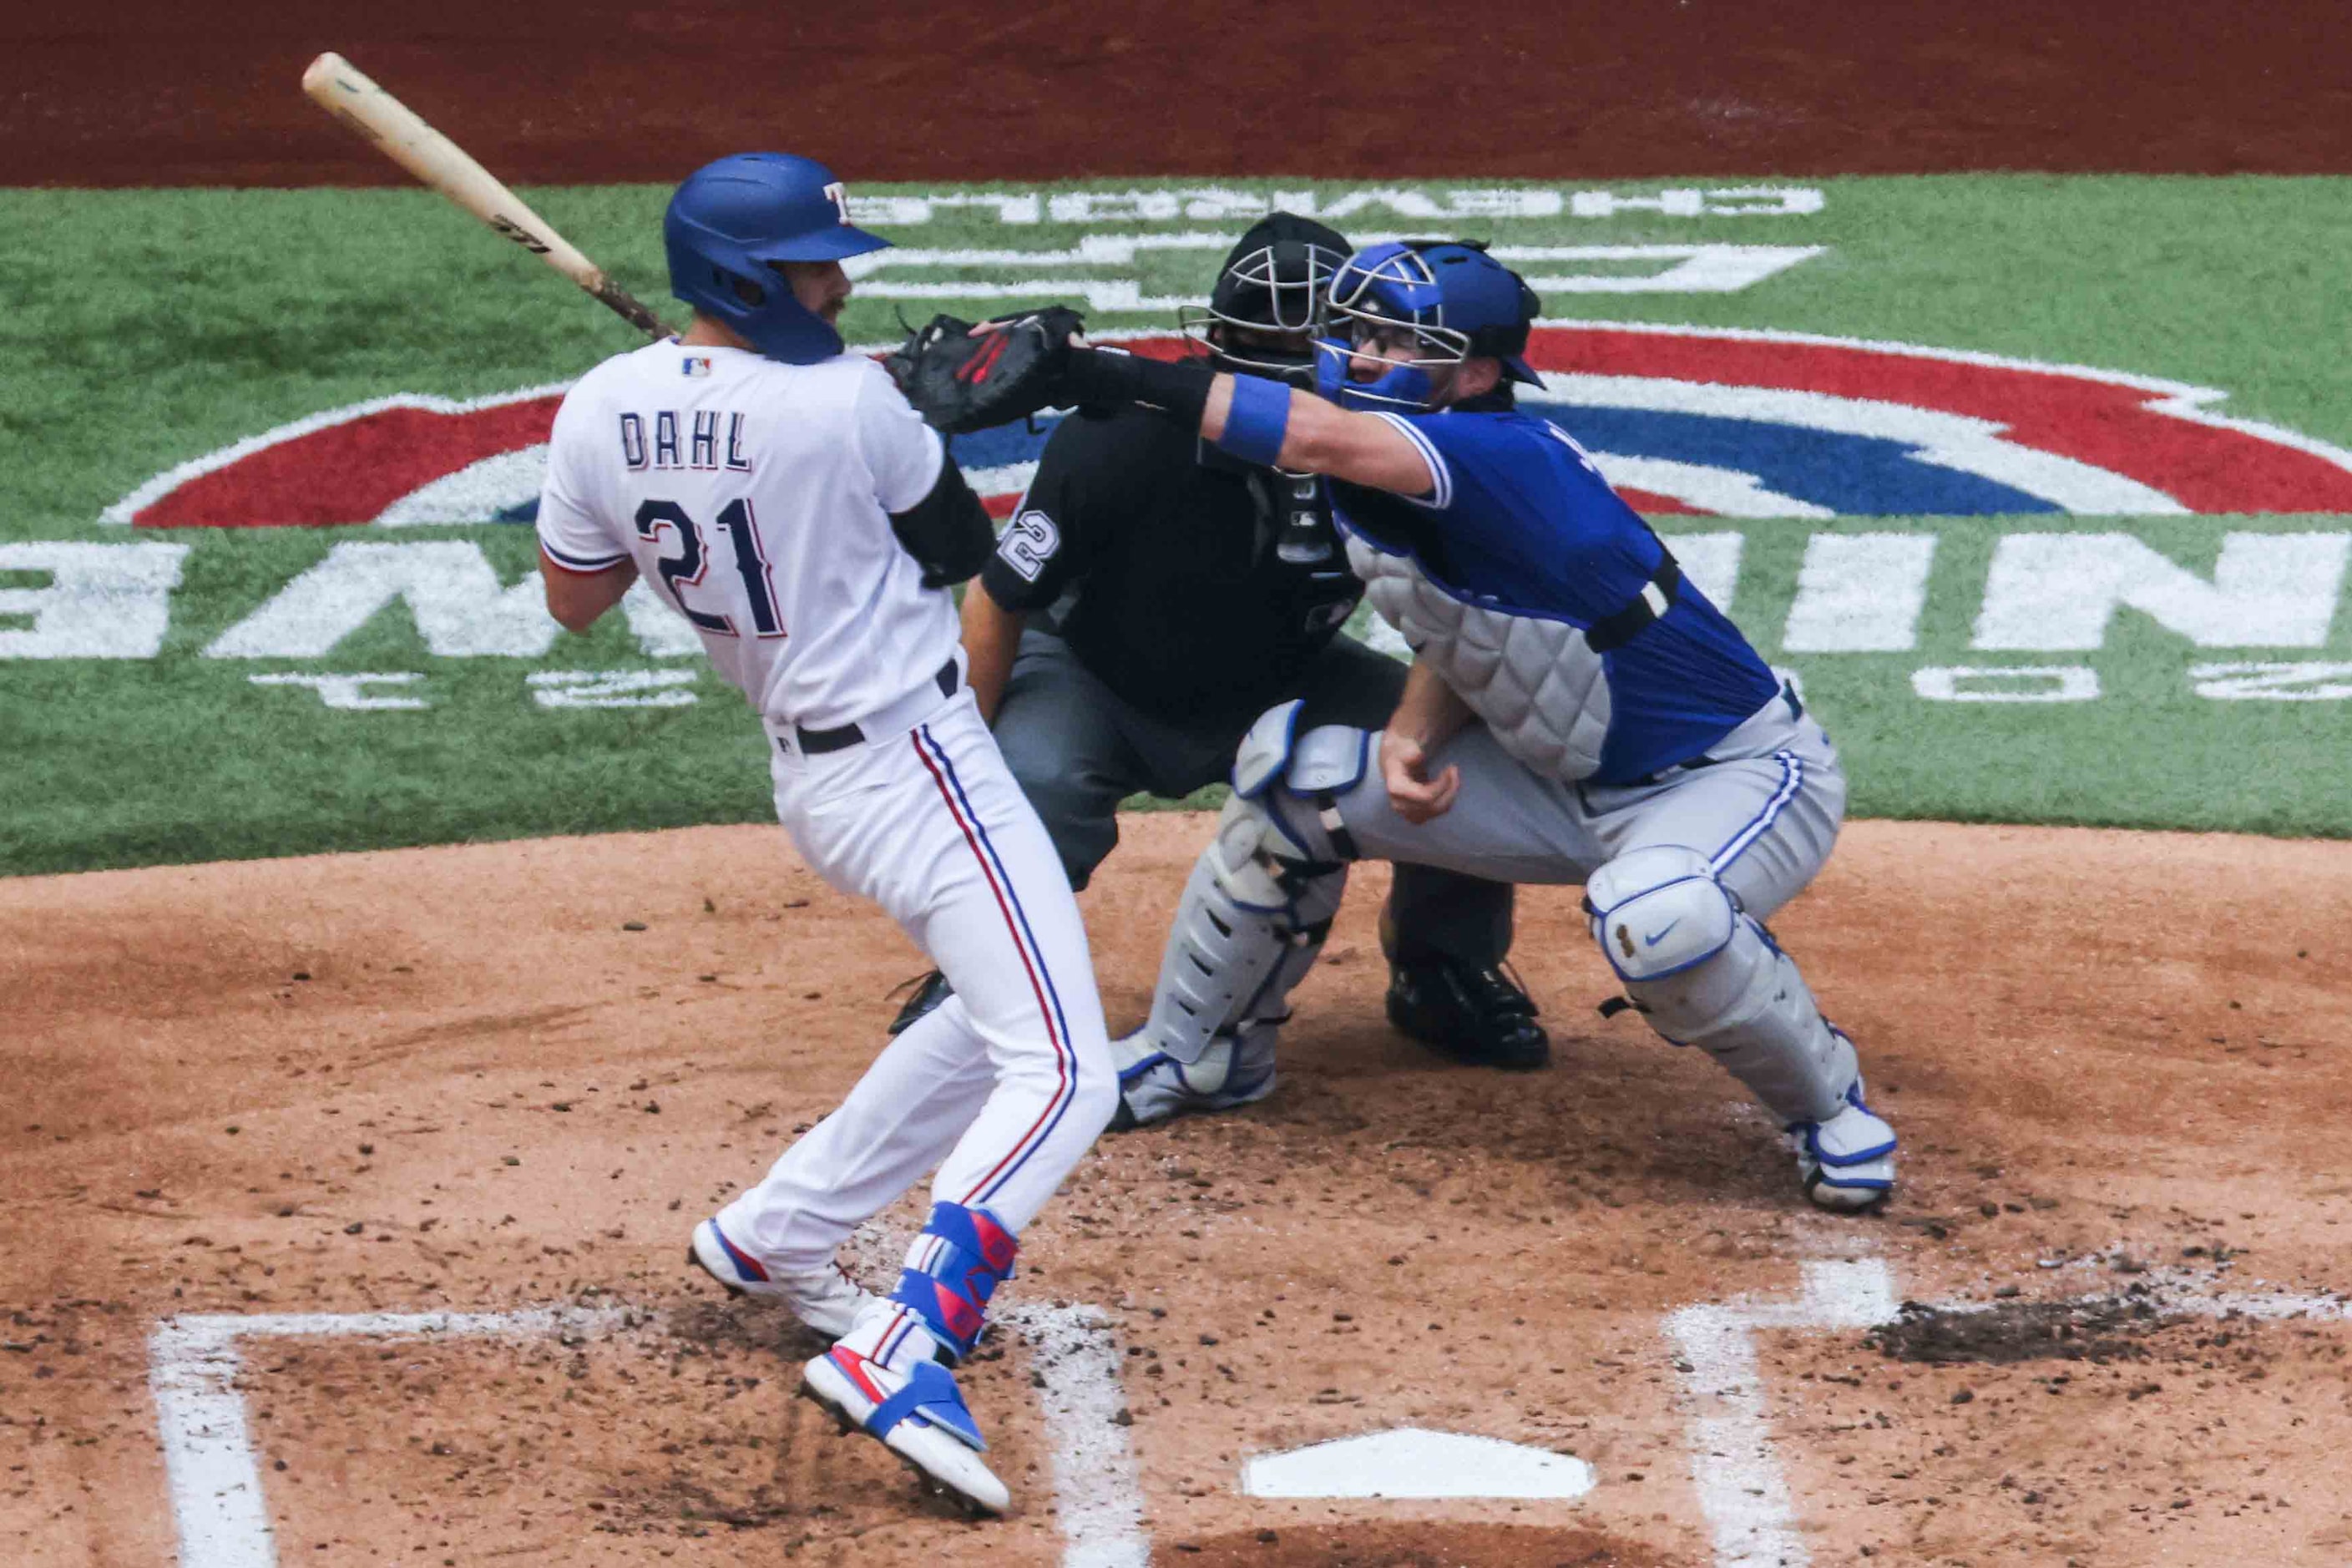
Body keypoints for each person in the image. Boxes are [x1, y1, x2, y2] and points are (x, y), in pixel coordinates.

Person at [964, 238, 1897, 1209]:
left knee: (1655, 914)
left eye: (1397, 341)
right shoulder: (1381, 467)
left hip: (1727, 778)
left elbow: (1312, 437)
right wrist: (1410, 738)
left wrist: (1091, 372)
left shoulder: (1498, 453)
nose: (1363, 357)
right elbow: (1470, 625)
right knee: (1298, 785)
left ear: (1481, 372)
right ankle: (1197, 1056)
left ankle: (1833, 1113)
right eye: (1358, 332)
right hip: (1561, 786)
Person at [533, 152, 1118, 1515]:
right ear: (753, 278)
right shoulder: (853, 404)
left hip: (819, 785)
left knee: (998, 1012)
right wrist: (908, 409)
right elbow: (957, 545)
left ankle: (777, 1229)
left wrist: (681, 461)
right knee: (1067, 1070)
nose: (840, 279)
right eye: (816, 261)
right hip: (922, 771)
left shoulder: (597, 408)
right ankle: (903, 1345)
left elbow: (576, 597)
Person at [892, 215, 1545, 1129]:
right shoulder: (1115, 440)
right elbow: (1000, 599)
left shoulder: (1397, 451)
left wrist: (1422, 724)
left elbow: (1464, 613)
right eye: (1259, 346)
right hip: (1097, 678)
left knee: (1458, 751)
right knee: (1029, 787)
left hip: (1287, 678)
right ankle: (977, 990)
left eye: (1300, 343)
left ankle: (1442, 969)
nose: (1280, 367)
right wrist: (959, 757)